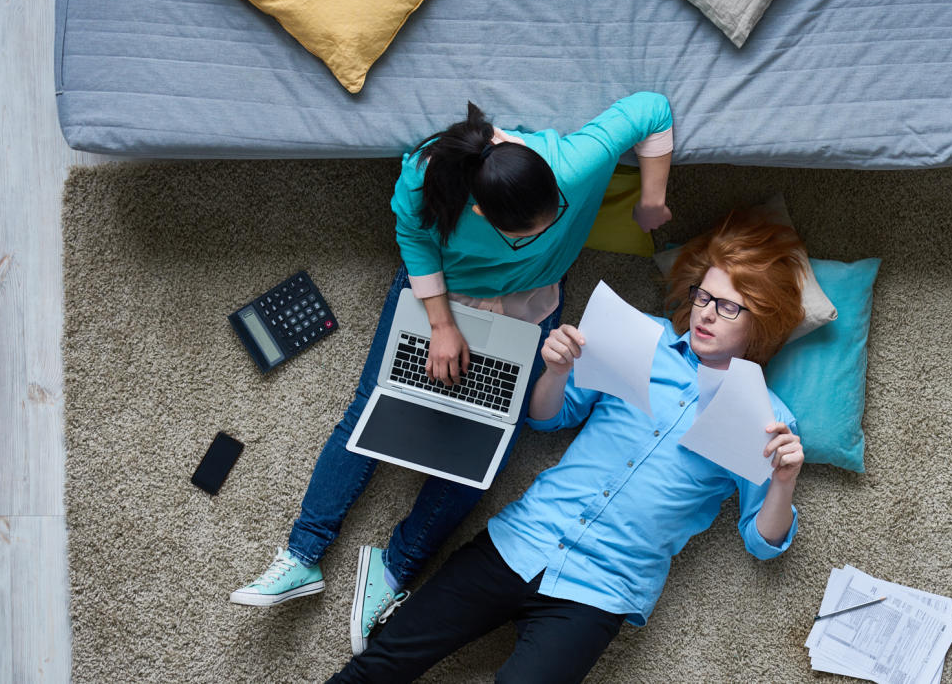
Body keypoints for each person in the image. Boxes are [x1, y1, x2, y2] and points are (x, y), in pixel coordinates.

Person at [230, 93, 675, 655]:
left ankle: (393, 570)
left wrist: (652, 200)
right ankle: (302, 556)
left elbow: (653, 109)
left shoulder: (571, 164)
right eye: (527, 234)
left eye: (555, 216)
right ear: (483, 215)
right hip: (439, 295)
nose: (549, 227)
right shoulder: (425, 176)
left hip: (528, 306)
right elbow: (414, 240)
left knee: (488, 445)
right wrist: (442, 326)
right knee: (374, 409)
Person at [326, 212, 809, 683]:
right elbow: (546, 417)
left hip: (602, 591)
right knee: (382, 662)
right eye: (703, 295)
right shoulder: (643, 337)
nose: (705, 312)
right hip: (521, 540)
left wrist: (783, 482)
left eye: (728, 306)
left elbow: (763, 542)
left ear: (761, 319)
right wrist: (556, 371)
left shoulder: (767, 417)